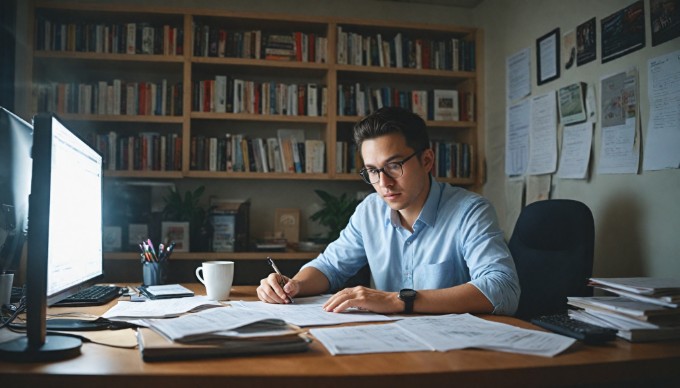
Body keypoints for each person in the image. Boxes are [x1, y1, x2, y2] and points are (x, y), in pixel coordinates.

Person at [257, 107, 520, 315]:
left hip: (455, 352)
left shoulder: (470, 211)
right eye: (372, 170)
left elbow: (502, 289)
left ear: (427, 160)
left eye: (394, 166)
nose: (383, 183)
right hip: (388, 343)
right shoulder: (370, 211)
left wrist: (398, 300)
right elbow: (329, 267)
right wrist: (294, 285)